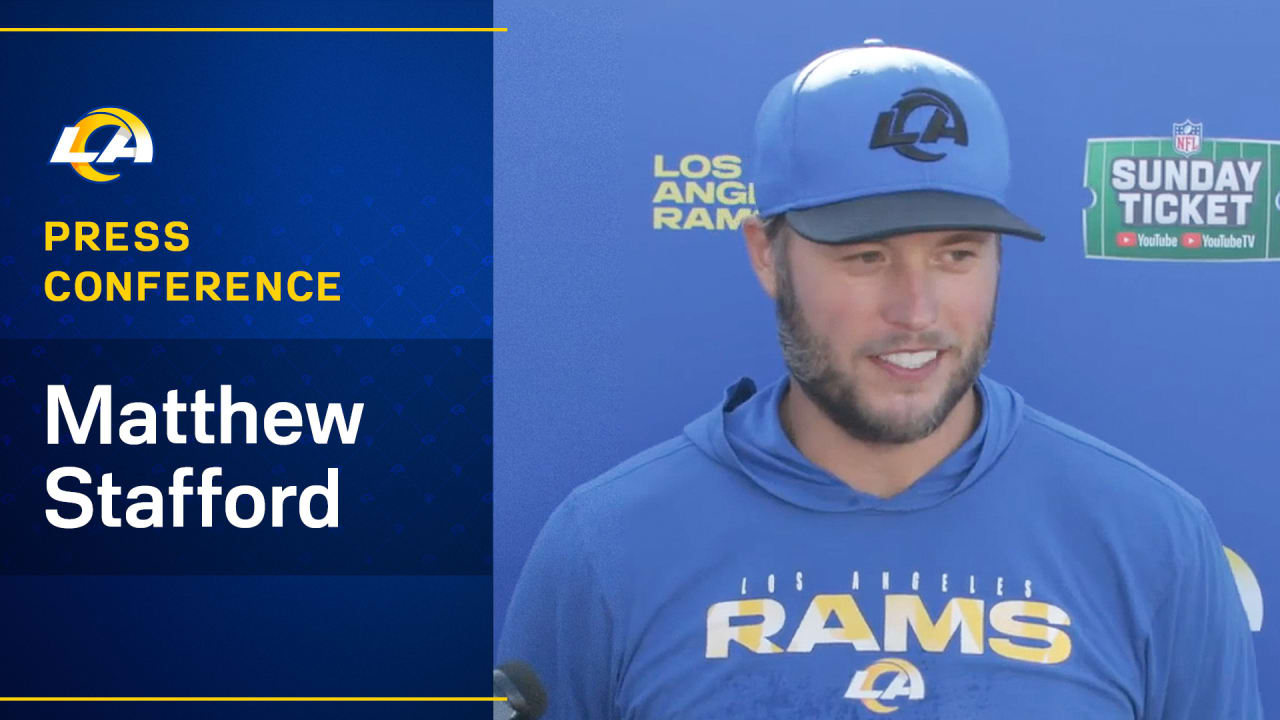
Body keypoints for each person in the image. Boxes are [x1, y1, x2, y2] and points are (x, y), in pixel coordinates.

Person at [497, 40, 1263, 719]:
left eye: (956, 254)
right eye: (866, 256)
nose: (916, 309)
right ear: (767, 255)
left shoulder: (1154, 540)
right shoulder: (605, 545)